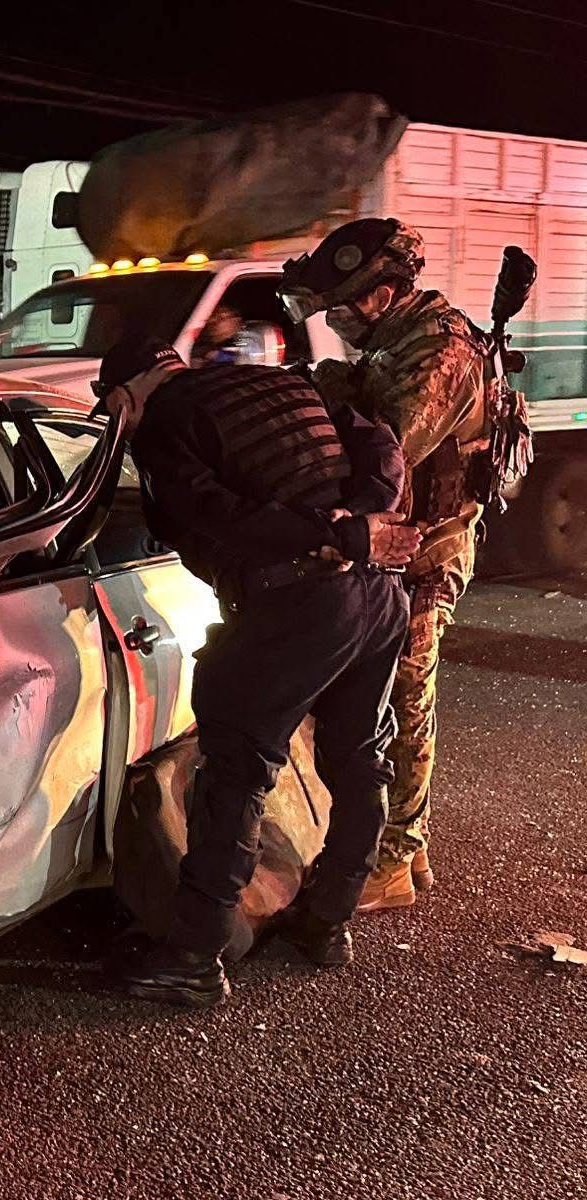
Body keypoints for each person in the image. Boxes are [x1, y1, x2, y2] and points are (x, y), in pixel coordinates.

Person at [96, 334, 419, 1007]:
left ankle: (194, 954)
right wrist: (356, 521)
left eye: (114, 411)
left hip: (302, 600)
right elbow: (381, 442)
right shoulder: (282, 383)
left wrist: (324, 534)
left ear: (131, 393)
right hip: (380, 594)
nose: (119, 428)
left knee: (236, 767)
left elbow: (211, 515)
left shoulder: (166, 424)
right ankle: (326, 923)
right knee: (360, 758)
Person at [279, 219, 488, 910]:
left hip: (427, 551)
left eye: (345, 307)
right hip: (402, 547)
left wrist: (328, 400)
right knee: (390, 702)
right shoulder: (399, 341)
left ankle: (393, 861)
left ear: (388, 292)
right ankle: (410, 840)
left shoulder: (441, 351)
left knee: (403, 698)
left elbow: (389, 450)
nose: (337, 320)